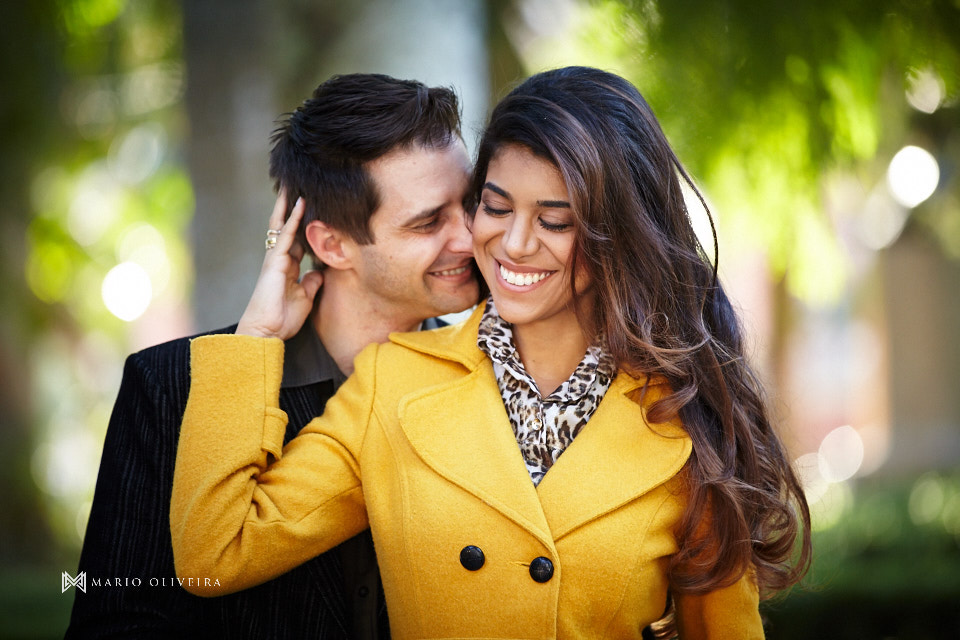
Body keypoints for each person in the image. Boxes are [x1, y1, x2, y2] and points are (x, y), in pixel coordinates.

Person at [171, 66, 810, 638]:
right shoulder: (393, 381)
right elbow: (214, 554)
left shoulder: (681, 414)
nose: (513, 244)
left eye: (555, 220)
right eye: (495, 207)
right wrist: (255, 341)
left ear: (617, 233)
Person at [66, 73, 479, 639]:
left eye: (472, 204)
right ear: (331, 244)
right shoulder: (167, 386)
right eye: (429, 222)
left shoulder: (491, 378)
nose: (472, 236)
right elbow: (114, 617)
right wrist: (255, 338)